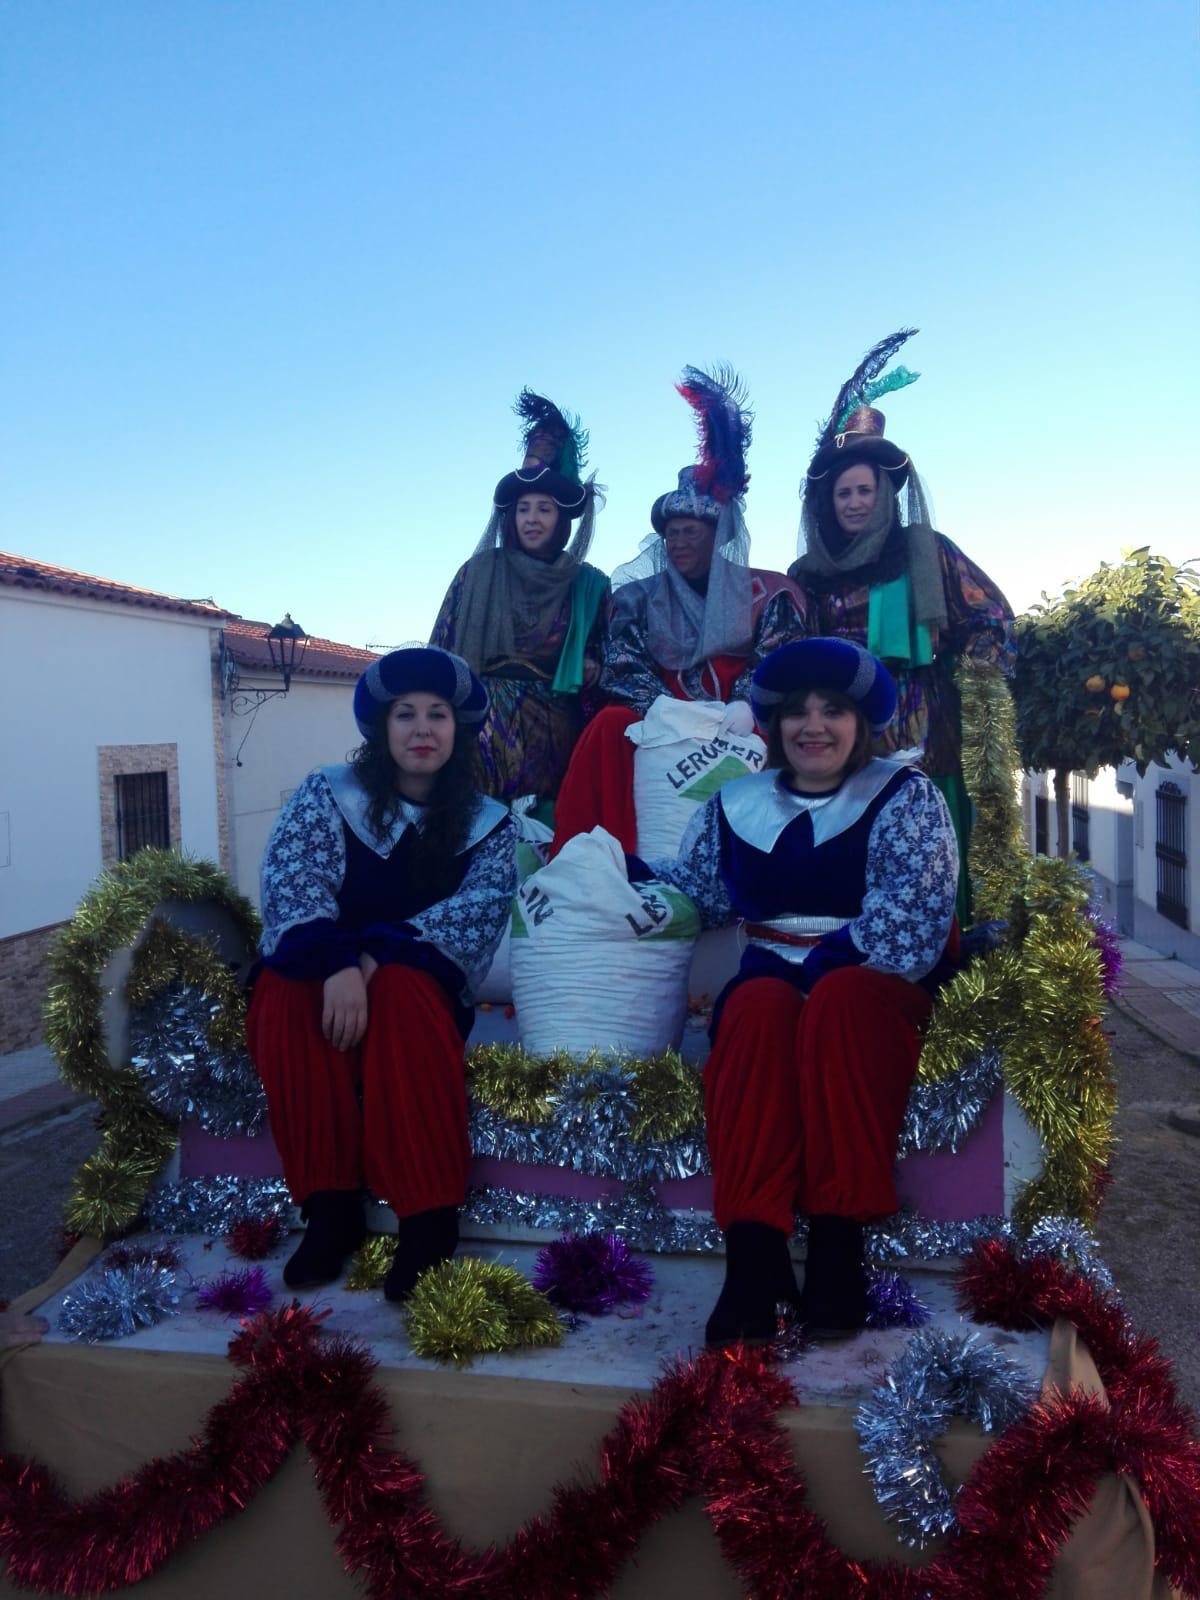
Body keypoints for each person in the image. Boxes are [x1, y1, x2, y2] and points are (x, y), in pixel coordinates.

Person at [633, 638, 958, 1344]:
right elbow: (702, 893)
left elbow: (917, 912)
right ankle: (755, 1255)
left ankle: (840, 1246)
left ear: (860, 722)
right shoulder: (736, 802)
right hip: (773, 979)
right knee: (751, 1007)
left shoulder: (906, 795)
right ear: (774, 726)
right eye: (796, 712)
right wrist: (614, 869)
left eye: (833, 710)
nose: (813, 725)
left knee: (836, 1004)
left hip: (874, 983)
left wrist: (828, 963)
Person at [245, 647, 516, 1302]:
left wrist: (375, 956)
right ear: (382, 727)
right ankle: (331, 1210)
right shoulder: (328, 795)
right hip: (327, 976)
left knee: (400, 986)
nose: (422, 729)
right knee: (283, 990)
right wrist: (337, 960)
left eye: (438, 715)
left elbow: (472, 917)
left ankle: (427, 1217)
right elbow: (294, 883)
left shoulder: (489, 825)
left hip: (413, 990)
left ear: (458, 730)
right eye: (405, 714)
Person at [787, 330, 1013, 922]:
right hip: (836, 724)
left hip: (917, 718)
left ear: (885, 492)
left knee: (924, 853)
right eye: (844, 493)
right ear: (827, 503)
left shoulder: (927, 551)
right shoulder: (807, 573)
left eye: (866, 490)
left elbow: (990, 615)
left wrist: (980, 661)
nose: (855, 502)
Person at [551, 367, 806, 853]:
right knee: (608, 725)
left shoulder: (768, 594)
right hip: (660, 713)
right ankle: (598, 857)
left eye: (692, 531)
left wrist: (743, 705)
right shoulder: (636, 599)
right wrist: (668, 712)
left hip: (740, 714)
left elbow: (778, 662)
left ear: (717, 536)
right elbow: (623, 665)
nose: (678, 540)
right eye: (672, 531)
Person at [430, 391, 609, 814]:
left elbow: (609, 651)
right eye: (523, 508)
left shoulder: (588, 585)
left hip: (553, 734)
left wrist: (595, 665)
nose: (531, 518)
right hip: (477, 728)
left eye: (544, 509)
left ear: (560, 519)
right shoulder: (476, 573)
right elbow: (440, 651)